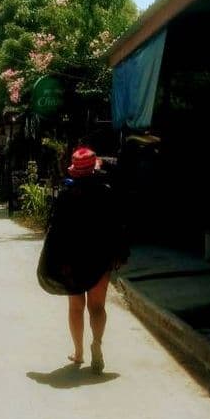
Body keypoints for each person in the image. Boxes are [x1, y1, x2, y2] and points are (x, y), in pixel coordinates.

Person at [37, 146, 129, 374]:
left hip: (72, 261)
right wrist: (119, 254)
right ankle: (97, 344)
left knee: (76, 308)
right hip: (100, 257)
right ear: (94, 169)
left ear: (74, 171)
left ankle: (78, 353)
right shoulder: (107, 192)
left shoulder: (68, 195)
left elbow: (55, 232)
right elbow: (118, 227)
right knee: (97, 307)